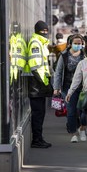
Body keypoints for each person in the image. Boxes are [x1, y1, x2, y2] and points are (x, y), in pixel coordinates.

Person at [53, 34, 87, 143]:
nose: (78, 45)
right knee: (71, 111)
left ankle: (82, 128)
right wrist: (56, 87)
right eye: (75, 43)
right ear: (70, 44)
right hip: (67, 87)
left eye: (80, 43)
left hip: (82, 87)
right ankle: (73, 133)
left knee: (83, 110)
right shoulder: (64, 56)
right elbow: (58, 72)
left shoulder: (85, 55)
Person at [27, 20, 53, 148]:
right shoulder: (36, 43)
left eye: (46, 31)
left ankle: (39, 138)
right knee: (38, 113)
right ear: (37, 31)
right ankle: (36, 140)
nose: (45, 33)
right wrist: (45, 83)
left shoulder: (41, 43)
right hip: (36, 86)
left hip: (39, 85)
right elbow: (36, 67)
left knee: (40, 113)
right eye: (43, 31)